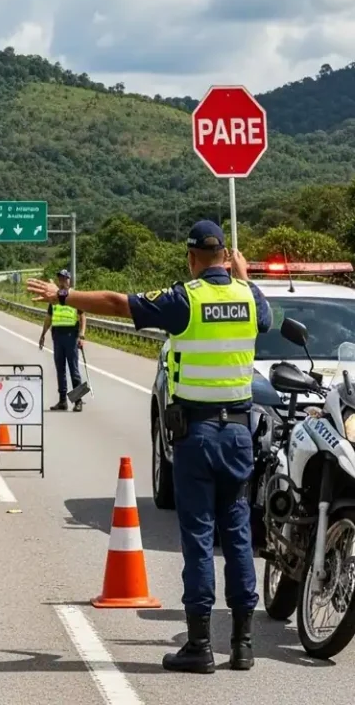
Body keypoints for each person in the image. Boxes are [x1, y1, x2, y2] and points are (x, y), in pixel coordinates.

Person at [27, 221, 272, 673]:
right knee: (238, 536)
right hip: (239, 434)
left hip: (197, 435)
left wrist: (64, 296)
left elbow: (118, 303)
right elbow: (265, 317)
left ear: (191, 257)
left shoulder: (186, 299)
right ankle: (242, 645)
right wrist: (244, 276)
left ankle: (200, 645)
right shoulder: (249, 298)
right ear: (226, 257)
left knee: (199, 537)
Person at [38, 269, 87, 412]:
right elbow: (48, 318)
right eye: (60, 279)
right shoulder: (55, 298)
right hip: (58, 336)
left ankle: (78, 401)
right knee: (60, 370)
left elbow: (83, 317)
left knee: (74, 370)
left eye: (65, 279)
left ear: (69, 280)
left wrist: (82, 335)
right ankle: (62, 401)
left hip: (71, 336)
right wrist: (43, 334)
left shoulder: (74, 297)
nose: (62, 281)